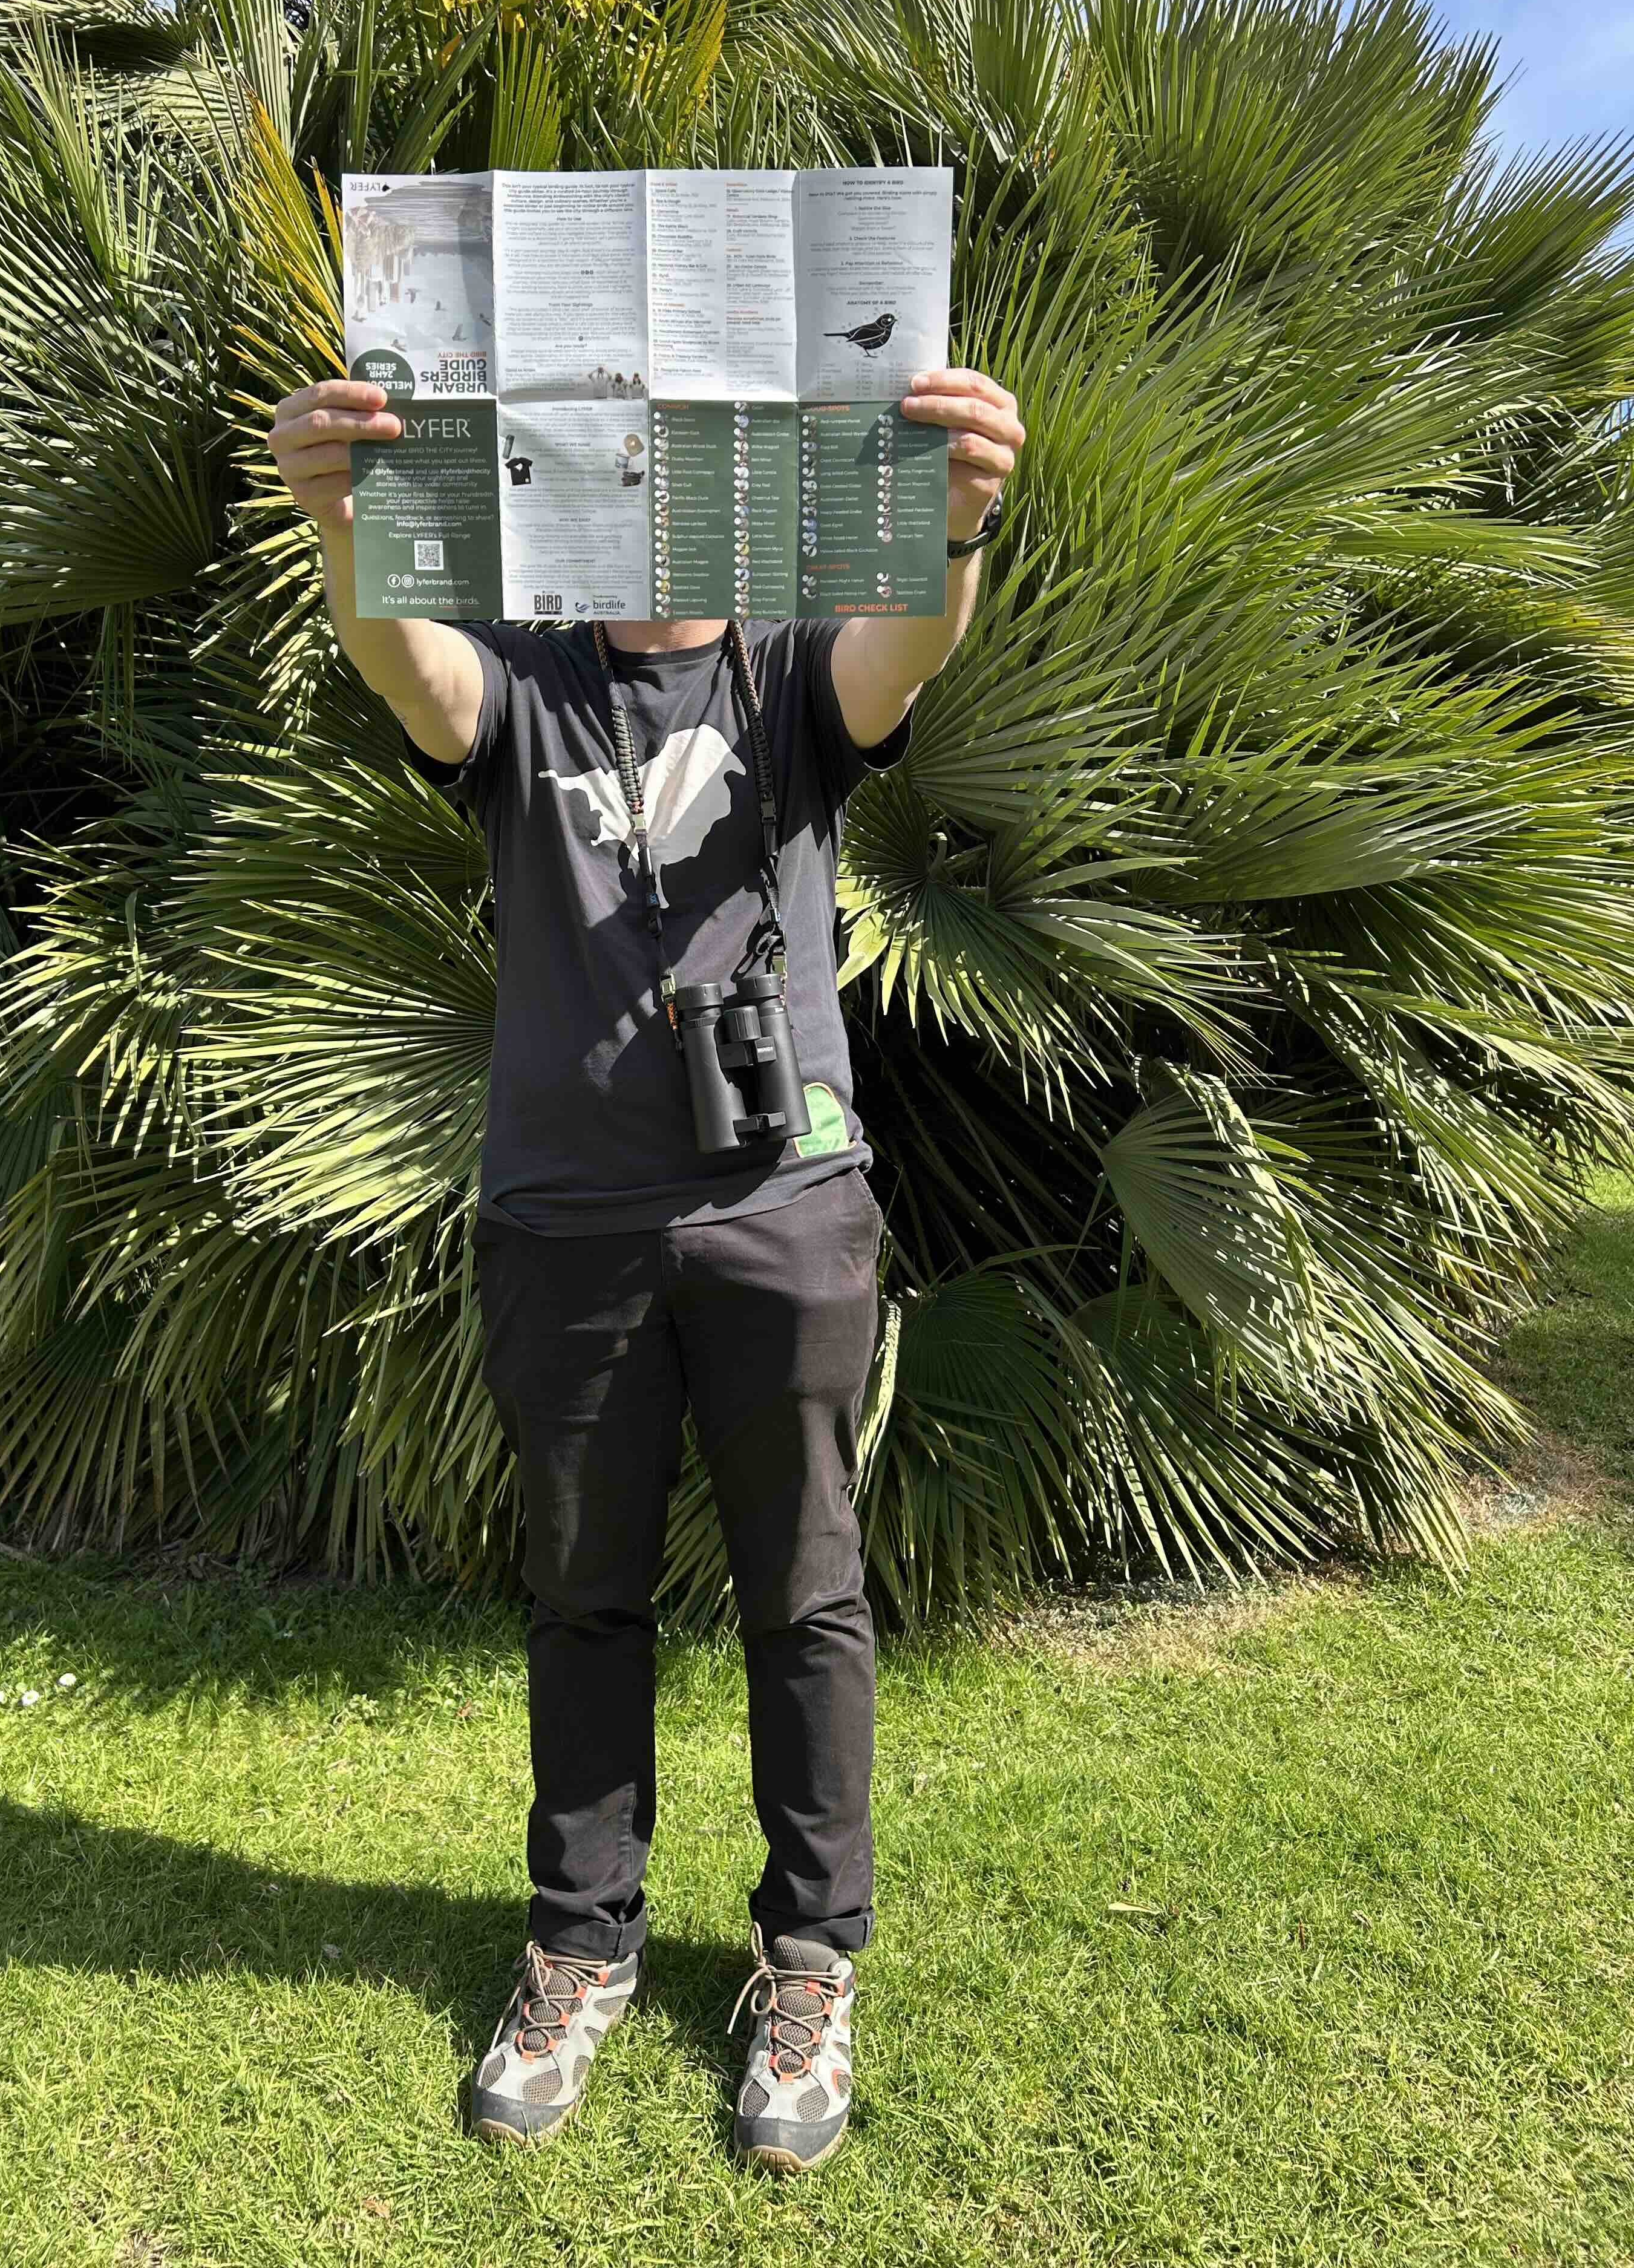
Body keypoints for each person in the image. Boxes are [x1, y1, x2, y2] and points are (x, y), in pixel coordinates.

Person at [269, 361, 1021, 2172]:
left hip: (786, 1212)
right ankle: (580, 1939)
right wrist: (344, 522)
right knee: (583, 1595)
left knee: (807, 1596)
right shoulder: (520, 677)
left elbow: (904, 658)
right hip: (567, 1221)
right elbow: (408, 668)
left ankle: (810, 1959)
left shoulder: (790, 666)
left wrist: (956, 522)